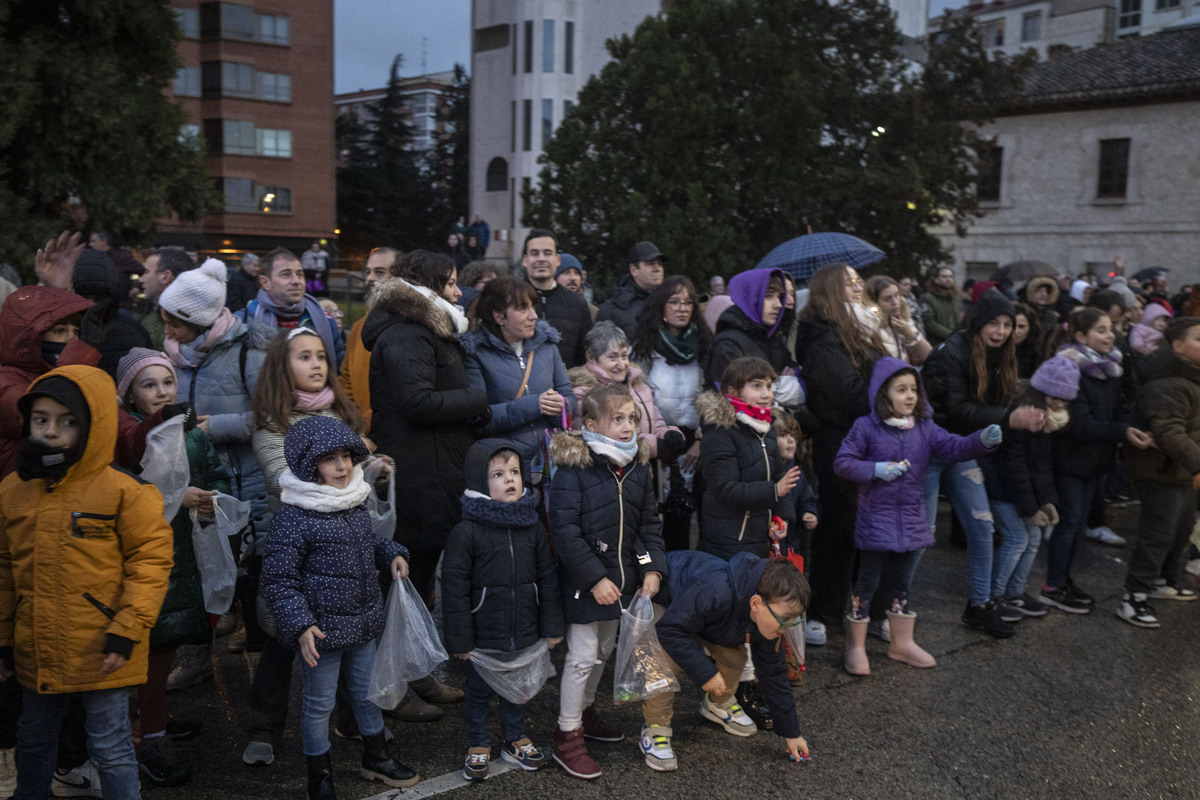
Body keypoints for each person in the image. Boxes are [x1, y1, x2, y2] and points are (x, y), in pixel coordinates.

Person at [0, 364, 172, 800]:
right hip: (35, 645)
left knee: (110, 745)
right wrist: (3, 638)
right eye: (41, 420)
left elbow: (150, 565)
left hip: (103, 648)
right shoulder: (13, 491)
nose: (52, 432)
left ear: (94, 426)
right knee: (34, 739)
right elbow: (3, 572)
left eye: (68, 421)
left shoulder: (125, 493)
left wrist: (126, 631)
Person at [260, 416, 417, 798]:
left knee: (368, 693)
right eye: (330, 459)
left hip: (362, 625)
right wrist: (300, 625)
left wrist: (391, 552)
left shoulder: (352, 501)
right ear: (310, 465)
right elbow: (278, 580)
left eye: (346, 456)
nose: (343, 465)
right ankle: (319, 775)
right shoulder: (294, 516)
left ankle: (375, 757)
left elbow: (369, 542)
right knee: (318, 704)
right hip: (321, 634)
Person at [835, 357, 1000, 675]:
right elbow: (843, 462)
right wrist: (877, 470)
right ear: (883, 394)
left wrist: (980, 441)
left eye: (913, 389)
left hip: (911, 519)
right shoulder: (866, 427)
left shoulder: (925, 427)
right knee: (867, 581)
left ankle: (901, 643)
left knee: (902, 584)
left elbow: (954, 447)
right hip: (876, 519)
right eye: (901, 390)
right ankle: (855, 646)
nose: (910, 395)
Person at [158, 257, 274, 690]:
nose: (168, 331)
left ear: (198, 319)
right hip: (195, 485)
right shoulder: (175, 357)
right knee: (201, 573)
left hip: (246, 484)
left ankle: (266, 678)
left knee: (251, 578)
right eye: (165, 320)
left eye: (175, 323)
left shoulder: (249, 351)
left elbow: (270, 415)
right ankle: (196, 660)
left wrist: (214, 427)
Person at [116, 349, 229, 786]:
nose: (162, 391)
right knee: (153, 644)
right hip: (149, 559)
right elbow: (126, 491)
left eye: (167, 381)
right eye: (149, 384)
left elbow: (215, 476)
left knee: (169, 641)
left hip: (188, 554)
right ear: (129, 393)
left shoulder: (193, 435)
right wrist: (175, 498)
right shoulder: (129, 439)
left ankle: (152, 714)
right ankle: (149, 734)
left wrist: (210, 502)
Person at [547, 384, 667, 780]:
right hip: (586, 584)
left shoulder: (637, 468)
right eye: (618, 418)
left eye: (633, 418)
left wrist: (650, 568)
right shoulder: (574, 467)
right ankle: (568, 735)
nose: (628, 426)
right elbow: (564, 531)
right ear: (591, 423)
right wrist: (594, 577)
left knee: (604, 650)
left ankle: (585, 711)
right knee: (582, 656)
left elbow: (647, 525)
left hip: (622, 582)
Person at [363, 251, 490, 622]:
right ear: (429, 286)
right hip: (420, 479)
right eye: (451, 283)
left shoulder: (427, 328)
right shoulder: (407, 332)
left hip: (433, 472)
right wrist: (478, 399)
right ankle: (401, 669)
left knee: (418, 576)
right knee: (407, 577)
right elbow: (417, 402)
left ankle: (413, 665)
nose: (459, 293)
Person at [922, 290, 1046, 638]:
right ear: (977, 322)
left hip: (963, 451)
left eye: (1008, 324)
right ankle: (892, 607)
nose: (1002, 331)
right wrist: (1010, 418)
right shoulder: (950, 354)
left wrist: (1017, 416)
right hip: (932, 450)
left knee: (983, 528)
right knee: (922, 536)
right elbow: (956, 410)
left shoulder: (1001, 355)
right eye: (994, 322)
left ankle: (979, 606)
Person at [442, 440, 564, 781]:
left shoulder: (533, 526)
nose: (510, 479)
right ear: (481, 483)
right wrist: (461, 640)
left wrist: (551, 626)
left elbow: (548, 578)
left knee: (518, 689)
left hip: (524, 629)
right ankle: (478, 743)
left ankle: (514, 738)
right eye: (498, 474)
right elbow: (454, 589)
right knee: (479, 693)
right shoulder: (467, 532)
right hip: (484, 635)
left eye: (514, 472)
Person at [793, 263, 884, 646]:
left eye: (859, 281)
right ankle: (823, 612)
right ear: (830, 290)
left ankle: (866, 608)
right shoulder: (822, 337)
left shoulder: (865, 330)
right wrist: (884, 384)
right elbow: (851, 395)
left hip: (870, 438)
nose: (857, 287)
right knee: (839, 529)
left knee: (872, 529)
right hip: (842, 440)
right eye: (848, 283)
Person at [653, 552, 811, 767]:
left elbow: (773, 673)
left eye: (794, 620)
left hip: (705, 617)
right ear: (756, 604)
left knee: (735, 657)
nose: (787, 627)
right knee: (664, 663)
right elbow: (670, 629)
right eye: (785, 619)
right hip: (667, 605)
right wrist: (705, 673)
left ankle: (717, 704)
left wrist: (792, 733)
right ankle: (655, 728)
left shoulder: (767, 616)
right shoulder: (715, 590)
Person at [1045, 309, 1154, 614]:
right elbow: (1078, 424)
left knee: (1077, 522)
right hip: (1070, 459)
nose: (1110, 335)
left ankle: (1063, 579)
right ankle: (1052, 585)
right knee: (1068, 522)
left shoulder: (1110, 369)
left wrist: (1130, 426)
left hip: (1095, 460)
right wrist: (1121, 430)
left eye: (1111, 330)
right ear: (1081, 337)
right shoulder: (1070, 369)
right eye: (1101, 330)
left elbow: (1119, 408)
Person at [1119, 317, 1200, 628]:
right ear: (1177, 346)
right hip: (1160, 471)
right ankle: (1133, 597)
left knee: (1181, 531)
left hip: (1182, 471)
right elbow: (1169, 432)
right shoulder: (1166, 383)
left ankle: (1166, 580)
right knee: (1158, 535)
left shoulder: (1192, 378)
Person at [986, 356, 1078, 621]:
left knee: (1033, 538)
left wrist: (1047, 501)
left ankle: (1015, 592)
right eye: (1056, 397)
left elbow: (1041, 464)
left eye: (1066, 400)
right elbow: (1013, 465)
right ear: (1042, 390)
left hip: (1019, 489)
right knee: (1017, 539)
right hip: (1002, 487)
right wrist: (1029, 508)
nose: (1061, 404)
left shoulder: (1046, 419)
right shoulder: (1022, 414)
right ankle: (995, 595)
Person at [631, 276, 713, 550]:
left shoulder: (704, 346)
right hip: (655, 443)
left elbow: (711, 396)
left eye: (688, 302)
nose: (682, 308)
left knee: (686, 517)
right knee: (654, 518)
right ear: (661, 307)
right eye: (674, 302)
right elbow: (634, 397)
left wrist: (701, 441)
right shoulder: (643, 347)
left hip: (694, 442)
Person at [461, 277, 575, 469]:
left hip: (551, 460)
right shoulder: (475, 354)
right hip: (505, 463)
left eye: (532, 307)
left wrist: (560, 406)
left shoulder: (547, 346)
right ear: (499, 317)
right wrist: (534, 405)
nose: (534, 316)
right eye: (523, 309)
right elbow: (478, 418)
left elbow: (568, 396)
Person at [695, 357, 798, 561]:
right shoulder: (719, 430)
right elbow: (725, 489)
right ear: (733, 391)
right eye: (756, 386)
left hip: (760, 539)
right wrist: (774, 491)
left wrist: (782, 517)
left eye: (768, 386)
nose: (765, 394)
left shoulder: (767, 427)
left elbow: (778, 477)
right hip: (727, 542)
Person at [0, 287, 99, 477]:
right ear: (31, 338)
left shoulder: (70, 370)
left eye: (76, 332)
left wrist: (159, 422)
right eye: (60, 331)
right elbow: (32, 414)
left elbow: (120, 429)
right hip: (19, 494)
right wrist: (79, 367)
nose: (71, 340)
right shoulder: (6, 382)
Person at [568, 321, 682, 459]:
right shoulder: (584, 393)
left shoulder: (640, 387)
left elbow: (656, 423)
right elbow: (606, 440)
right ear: (591, 357)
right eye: (612, 357)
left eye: (624, 355)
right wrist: (654, 446)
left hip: (642, 473)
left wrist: (668, 434)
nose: (621, 365)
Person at [706, 268, 803, 408]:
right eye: (769, 296)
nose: (779, 304)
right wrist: (783, 385)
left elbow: (801, 388)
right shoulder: (728, 344)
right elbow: (736, 403)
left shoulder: (772, 338)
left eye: (779, 296)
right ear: (750, 297)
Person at [236, 248, 343, 373]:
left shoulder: (325, 321)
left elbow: (339, 373)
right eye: (286, 274)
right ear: (265, 283)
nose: (296, 281)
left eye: (300, 274)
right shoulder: (242, 323)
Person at [338, 247, 400, 433]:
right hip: (359, 436)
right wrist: (354, 423)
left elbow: (402, 392)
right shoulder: (358, 327)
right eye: (367, 272)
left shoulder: (409, 326)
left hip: (396, 437)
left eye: (379, 272)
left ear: (400, 278)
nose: (369, 278)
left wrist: (368, 423)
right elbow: (346, 381)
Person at [70, 248, 153, 377]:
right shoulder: (63, 330)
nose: (91, 305)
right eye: (84, 297)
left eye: (98, 299)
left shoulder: (134, 332)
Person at [522, 229, 593, 368]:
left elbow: (585, 357)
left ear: (558, 260)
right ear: (525, 260)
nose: (541, 259)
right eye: (535, 253)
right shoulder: (510, 300)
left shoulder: (577, 304)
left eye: (547, 253)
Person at [596, 241, 667, 338]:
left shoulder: (671, 304)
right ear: (634, 270)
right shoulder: (610, 311)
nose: (657, 269)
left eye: (660, 264)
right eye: (651, 263)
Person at [865, 275, 931, 366]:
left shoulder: (903, 319)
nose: (895, 302)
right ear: (874, 302)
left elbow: (927, 356)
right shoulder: (869, 325)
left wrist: (909, 335)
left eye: (897, 295)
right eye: (888, 298)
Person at [140, 249, 197, 349]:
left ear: (165, 276)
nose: (141, 279)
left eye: (146, 272)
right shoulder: (195, 317)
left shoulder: (189, 324)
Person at [87, 230, 142, 310]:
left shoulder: (122, 258)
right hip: (98, 307)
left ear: (104, 241)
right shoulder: (92, 260)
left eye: (93, 241)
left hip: (121, 307)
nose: (91, 244)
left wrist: (137, 288)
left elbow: (144, 272)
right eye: (90, 241)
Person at [922, 266, 962, 347]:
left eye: (950, 276)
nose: (948, 279)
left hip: (955, 343)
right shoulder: (928, 298)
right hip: (937, 344)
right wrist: (951, 334)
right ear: (936, 280)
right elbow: (929, 323)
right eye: (944, 277)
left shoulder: (956, 298)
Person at [556, 254, 598, 319]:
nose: (573, 278)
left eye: (577, 273)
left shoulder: (592, 313)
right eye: (566, 272)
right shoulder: (541, 308)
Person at [1012, 303, 1043, 379]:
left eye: (1021, 326)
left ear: (1030, 328)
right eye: (1012, 325)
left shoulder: (1037, 353)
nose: (1016, 331)